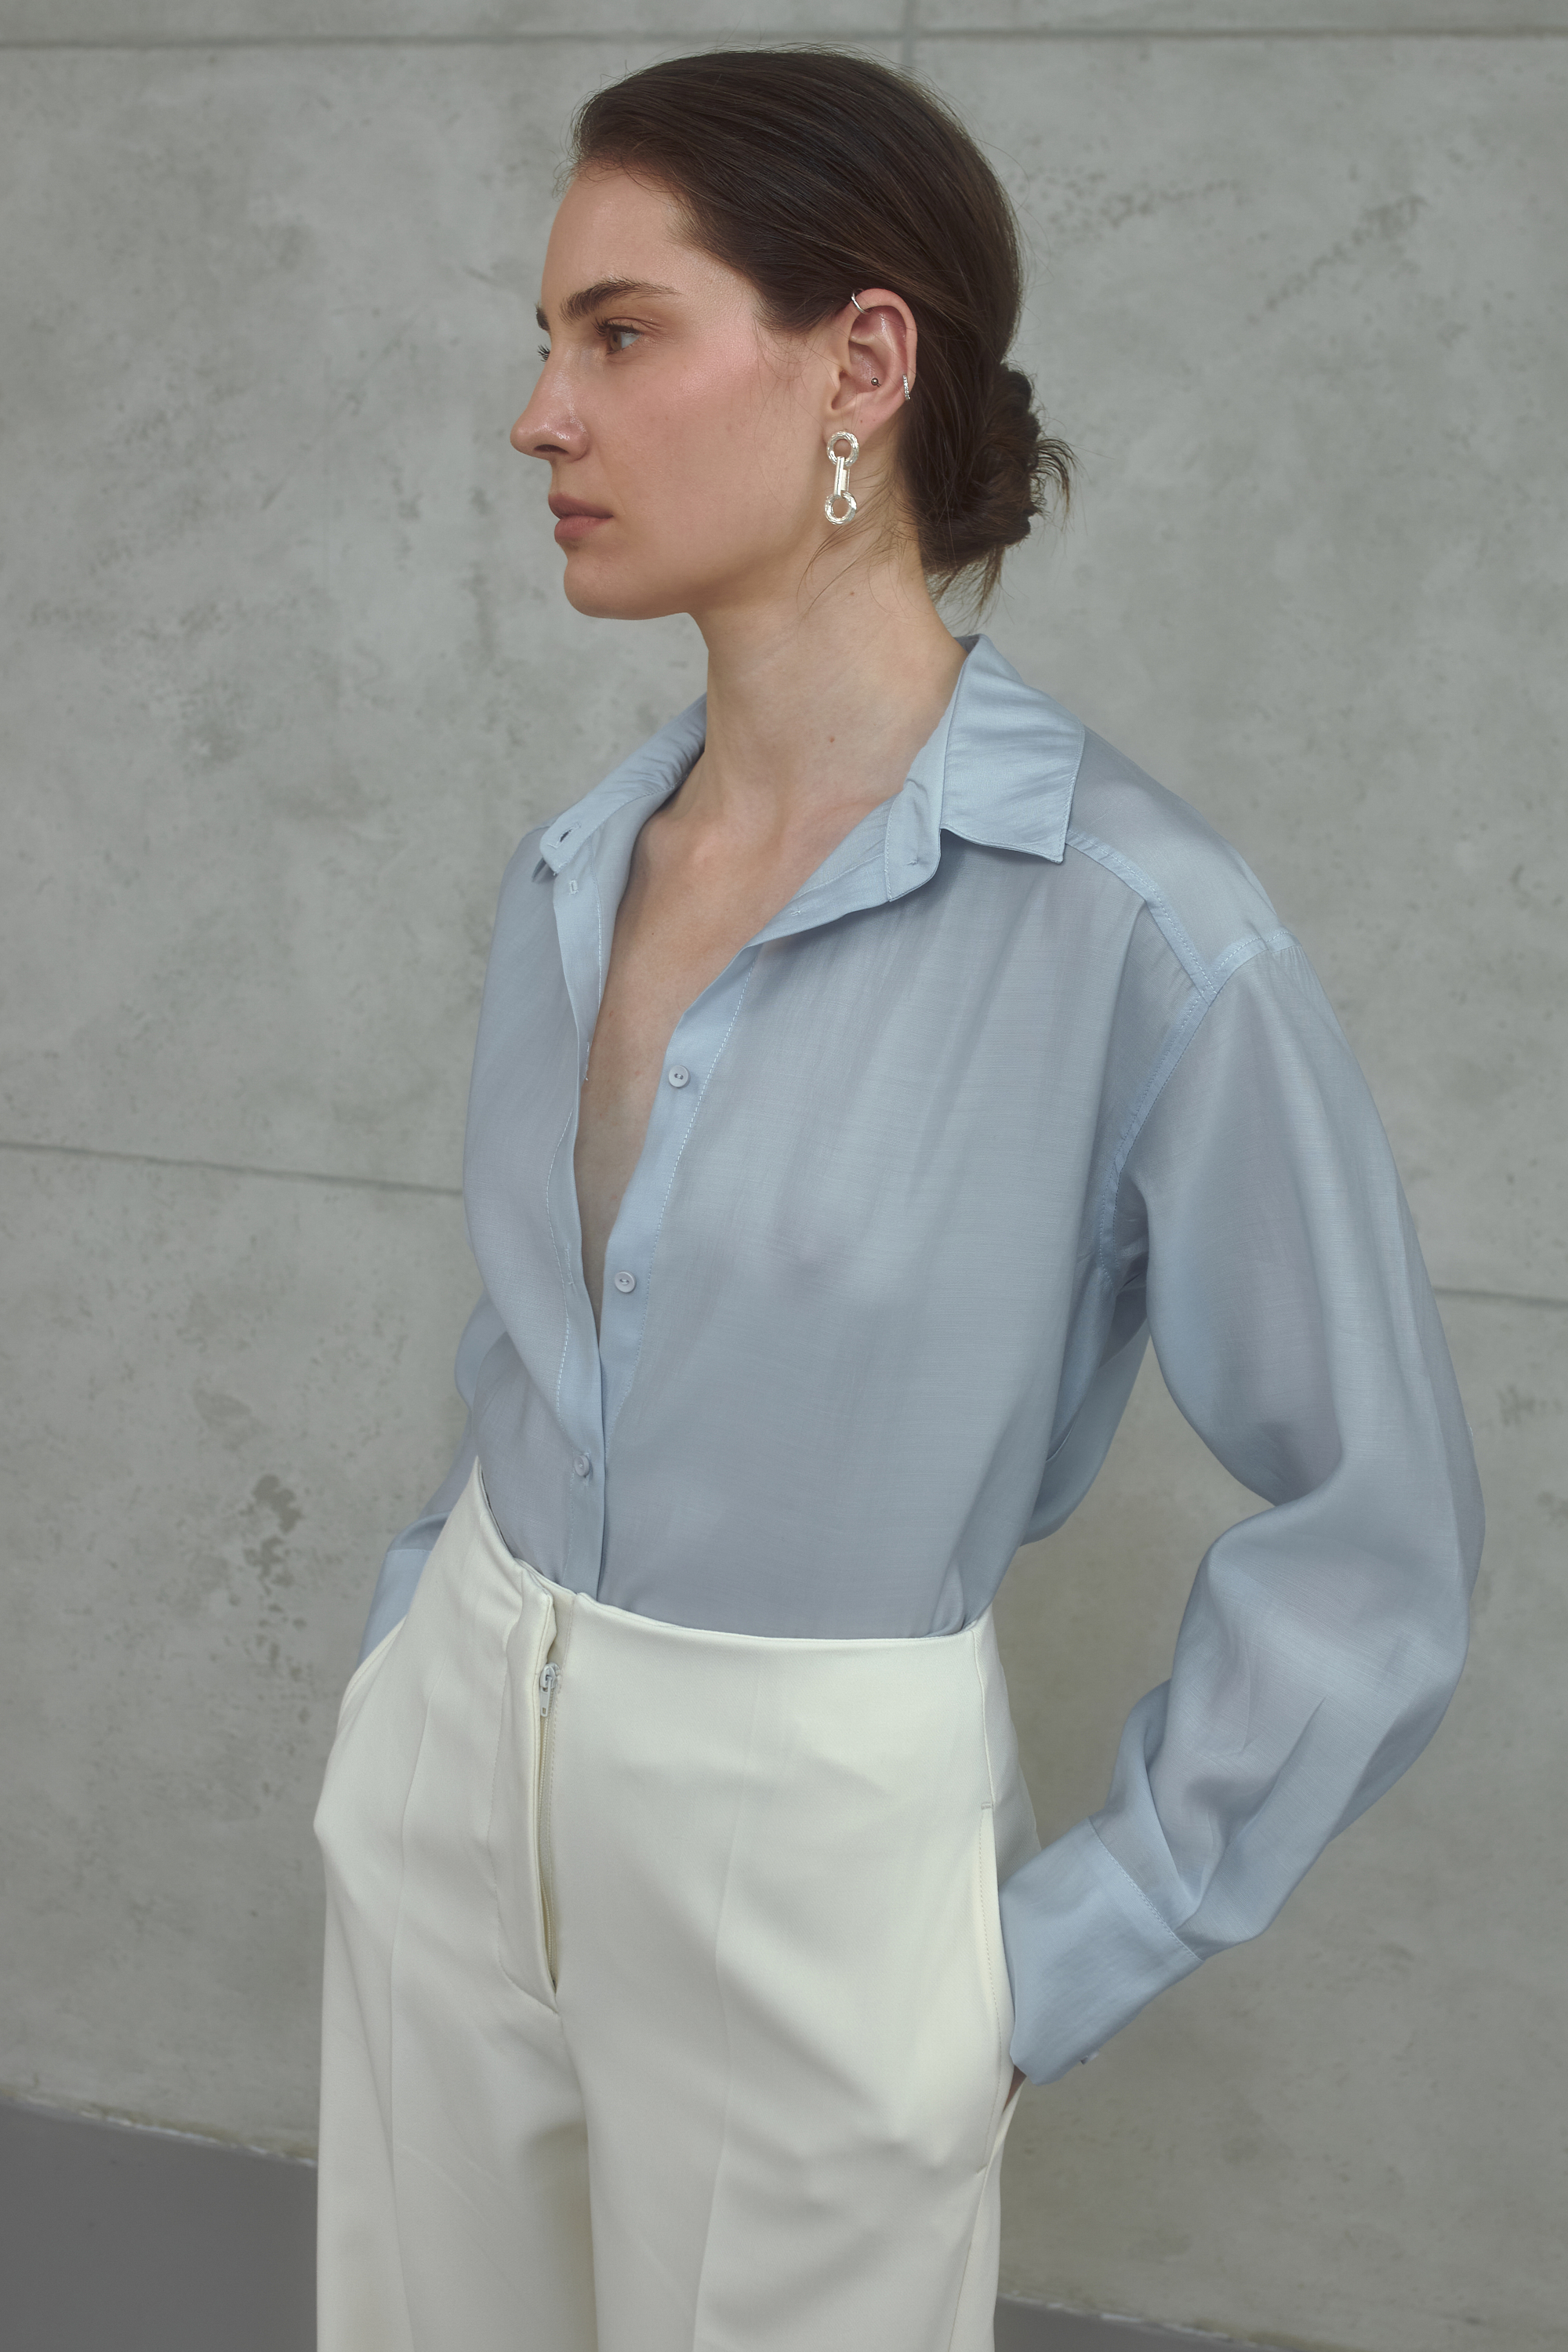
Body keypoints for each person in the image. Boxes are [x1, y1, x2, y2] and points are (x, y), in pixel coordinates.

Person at [312, 46, 1483, 2352]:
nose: (540, 417)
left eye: (619, 334)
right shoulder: (580, 872)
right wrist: (399, 1676)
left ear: (861, 361)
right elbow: (540, 1345)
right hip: (455, 1770)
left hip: (814, 1866)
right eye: (549, 341)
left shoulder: (1137, 926)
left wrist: (1051, 1959)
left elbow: (1384, 1530)